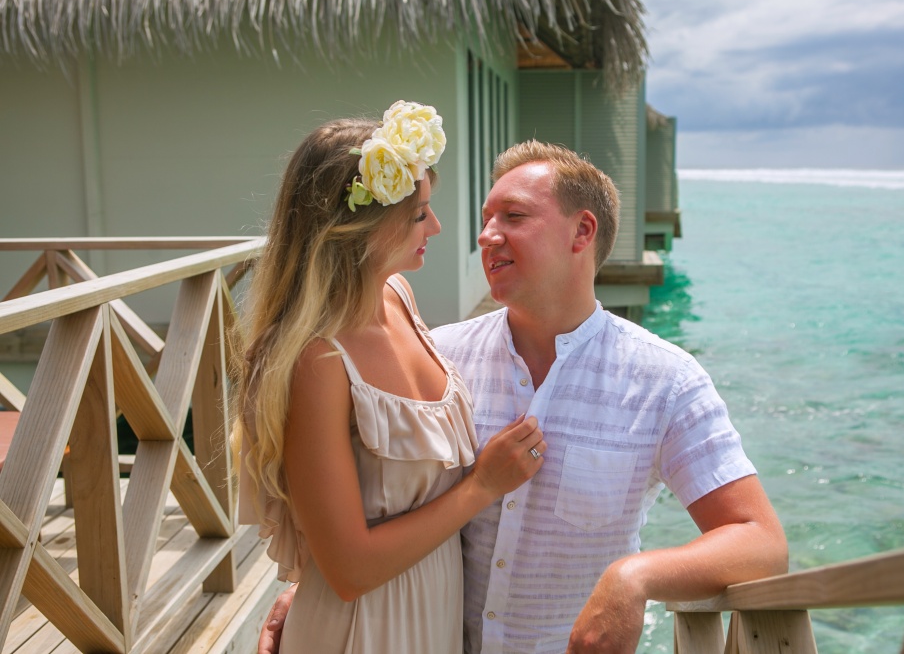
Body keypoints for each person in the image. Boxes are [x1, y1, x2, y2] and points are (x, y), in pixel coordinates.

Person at [259, 140, 788, 654]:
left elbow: (760, 541)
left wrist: (635, 576)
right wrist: (316, 589)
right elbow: (375, 500)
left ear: (582, 232)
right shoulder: (439, 359)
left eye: (513, 216)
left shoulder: (665, 381)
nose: (486, 235)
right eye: (486, 218)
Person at [232, 102, 546, 653]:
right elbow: (349, 569)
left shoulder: (397, 295)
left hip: (432, 618)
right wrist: (482, 486)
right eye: (419, 214)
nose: (437, 227)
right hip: (363, 631)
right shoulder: (316, 361)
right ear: (358, 226)